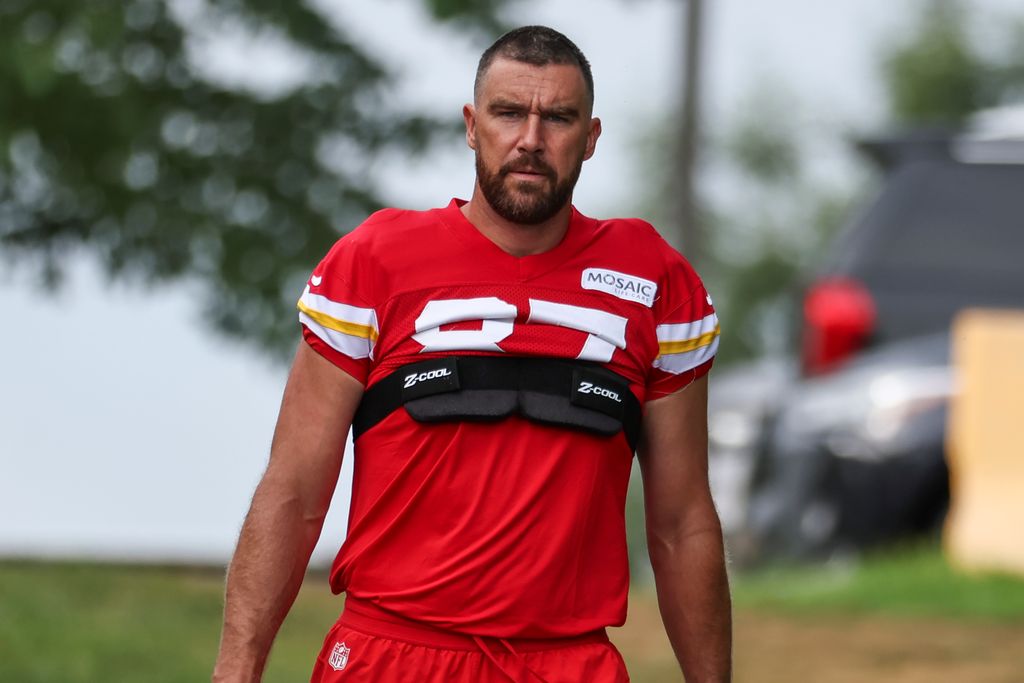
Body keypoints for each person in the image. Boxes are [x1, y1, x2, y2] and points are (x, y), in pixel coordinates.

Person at [213, 25, 731, 683]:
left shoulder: (655, 279)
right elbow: (293, 492)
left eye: (559, 118)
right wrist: (236, 669)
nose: (531, 140)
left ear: (591, 137)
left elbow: (683, 522)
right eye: (509, 112)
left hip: (567, 663)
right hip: (390, 656)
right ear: (471, 124)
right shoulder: (375, 261)